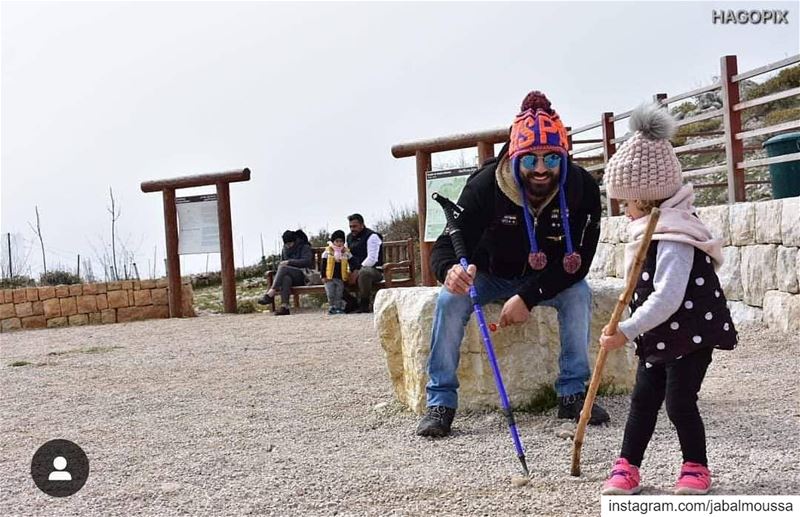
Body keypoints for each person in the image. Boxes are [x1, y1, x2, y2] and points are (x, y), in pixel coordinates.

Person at [416, 90, 609, 438]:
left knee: (579, 293)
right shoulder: (484, 186)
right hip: (488, 276)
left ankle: (573, 393)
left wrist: (529, 296)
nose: (539, 169)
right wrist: (450, 271)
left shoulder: (582, 189)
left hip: (549, 278)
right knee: (448, 300)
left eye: (551, 159)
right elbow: (447, 242)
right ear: (514, 156)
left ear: (563, 157)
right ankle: (441, 401)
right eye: (529, 159)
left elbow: (579, 263)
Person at [598, 104, 737, 496]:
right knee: (643, 400)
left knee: (679, 402)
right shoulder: (652, 231)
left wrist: (626, 330)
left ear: (645, 199)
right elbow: (642, 289)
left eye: (626, 202)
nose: (624, 211)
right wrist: (627, 321)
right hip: (660, 336)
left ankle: (696, 468)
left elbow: (669, 296)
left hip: (691, 333)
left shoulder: (674, 236)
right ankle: (627, 467)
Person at [258, 229, 313, 316]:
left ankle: (271, 292)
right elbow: (282, 264)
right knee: (285, 278)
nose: (288, 246)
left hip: (303, 275)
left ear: (295, 241)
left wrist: (289, 262)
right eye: (286, 244)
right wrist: (285, 264)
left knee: (284, 267)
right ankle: (285, 307)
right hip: (290, 276)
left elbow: (307, 262)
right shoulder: (285, 249)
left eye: (290, 243)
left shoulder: (304, 246)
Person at [346, 213, 383, 313]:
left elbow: (372, 259)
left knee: (364, 273)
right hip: (354, 270)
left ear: (362, 225)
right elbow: (346, 255)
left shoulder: (372, 237)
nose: (352, 229)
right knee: (335, 274)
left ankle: (364, 304)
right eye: (350, 226)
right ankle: (351, 302)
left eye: (355, 226)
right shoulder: (349, 237)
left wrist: (358, 271)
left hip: (375, 271)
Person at [321, 230, 352, 315]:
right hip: (329, 278)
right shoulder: (327, 252)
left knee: (339, 294)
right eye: (337, 241)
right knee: (330, 293)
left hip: (340, 278)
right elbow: (323, 265)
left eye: (341, 241)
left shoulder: (345, 252)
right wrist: (323, 276)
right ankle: (332, 307)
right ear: (333, 242)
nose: (339, 243)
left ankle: (338, 307)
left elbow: (351, 261)